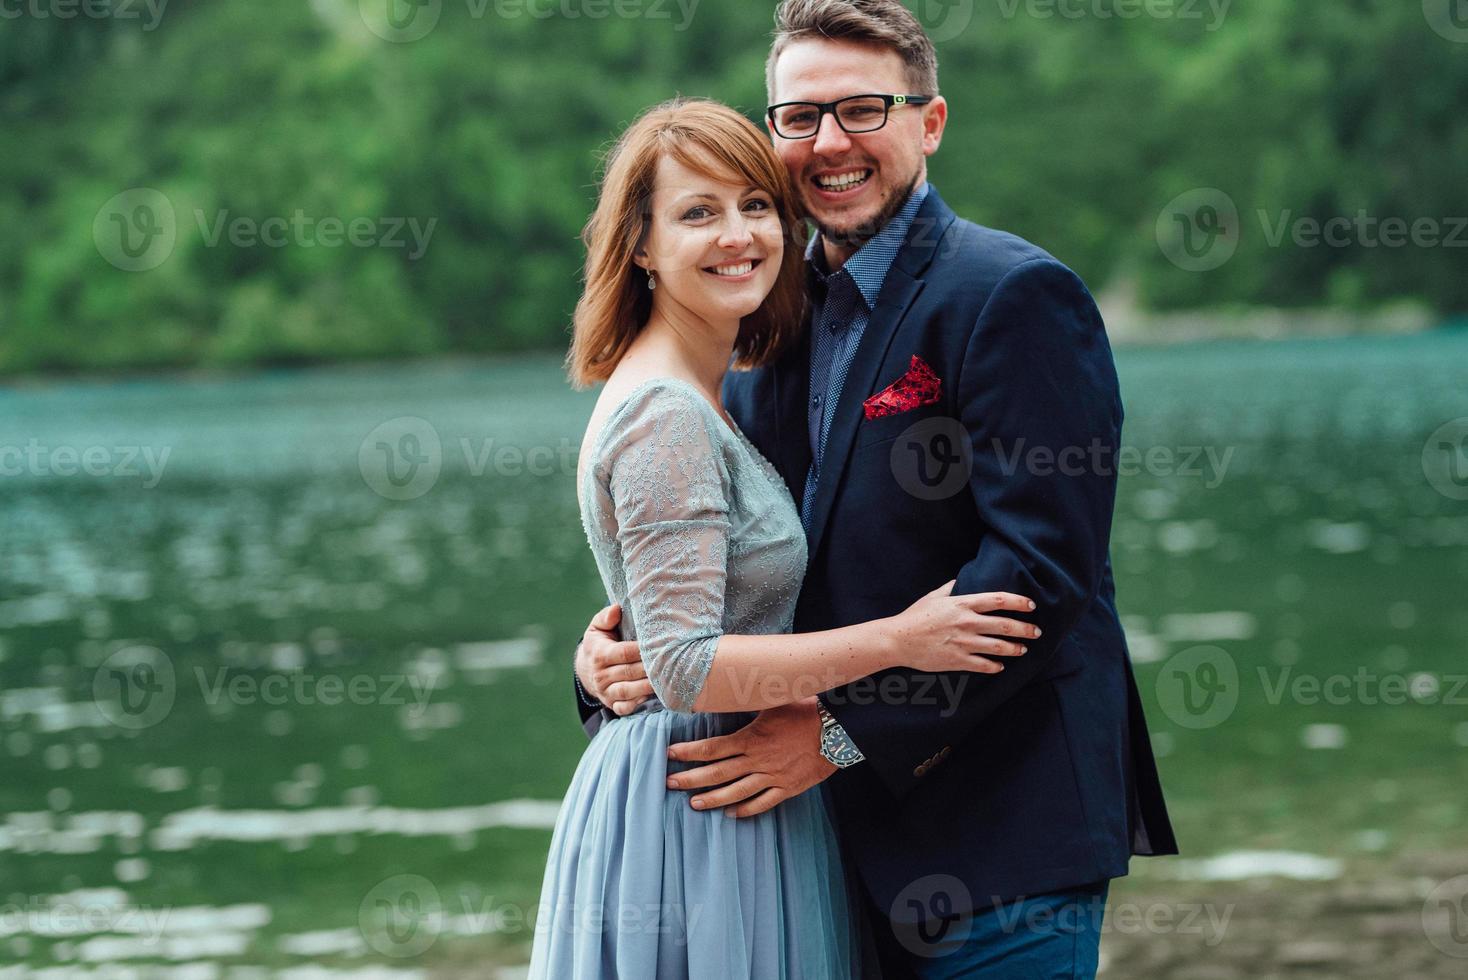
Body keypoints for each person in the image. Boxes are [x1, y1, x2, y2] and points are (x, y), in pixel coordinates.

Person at [573, 2, 1179, 976]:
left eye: (861, 109)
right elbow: (724, 563)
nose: (828, 143)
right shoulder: (758, 317)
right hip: (815, 851)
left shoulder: (1011, 294)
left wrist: (838, 733)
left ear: (929, 122)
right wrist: (607, 658)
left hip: (997, 846)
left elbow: (1037, 573)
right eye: (799, 117)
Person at [529, 95, 1041, 979]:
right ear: (640, 246)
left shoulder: (729, 382)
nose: (738, 235)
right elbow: (685, 660)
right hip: (704, 806)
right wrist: (902, 640)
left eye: (756, 205)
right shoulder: (668, 413)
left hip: (749, 793)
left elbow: (686, 606)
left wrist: (624, 645)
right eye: (699, 213)